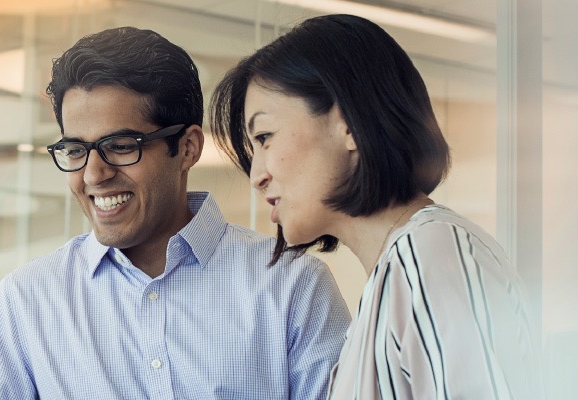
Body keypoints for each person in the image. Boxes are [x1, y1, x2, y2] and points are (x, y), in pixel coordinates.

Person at [0, 26, 351, 399]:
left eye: (121, 146)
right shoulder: (29, 301)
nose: (94, 174)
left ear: (188, 148)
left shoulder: (292, 287)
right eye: (75, 150)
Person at [209, 14, 534, 399]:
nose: (257, 175)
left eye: (265, 136)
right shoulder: (398, 273)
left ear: (346, 123)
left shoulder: (429, 255)